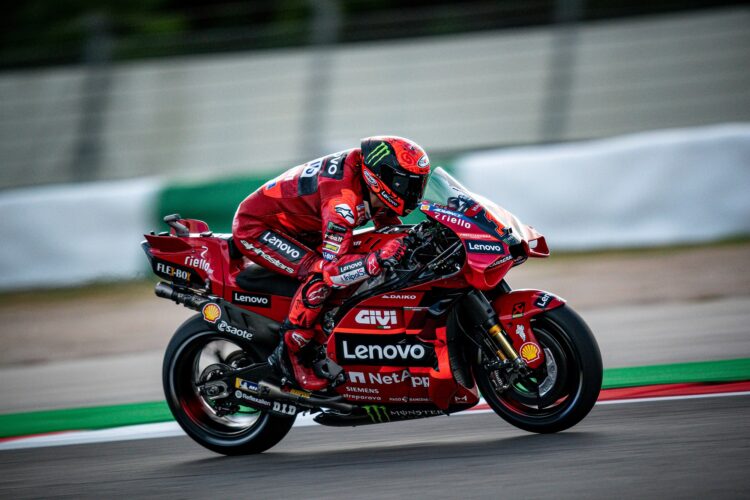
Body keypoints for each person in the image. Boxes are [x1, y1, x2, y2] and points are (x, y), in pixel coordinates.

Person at [232, 136, 431, 391]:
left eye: (419, 184)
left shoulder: (368, 176)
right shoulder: (343, 201)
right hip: (258, 228)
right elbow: (332, 271)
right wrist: (378, 259)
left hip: (304, 227)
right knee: (318, 274)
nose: (413, 192)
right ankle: (291, 355)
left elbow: (389, 228)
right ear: (381, 177)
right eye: (406, 183)